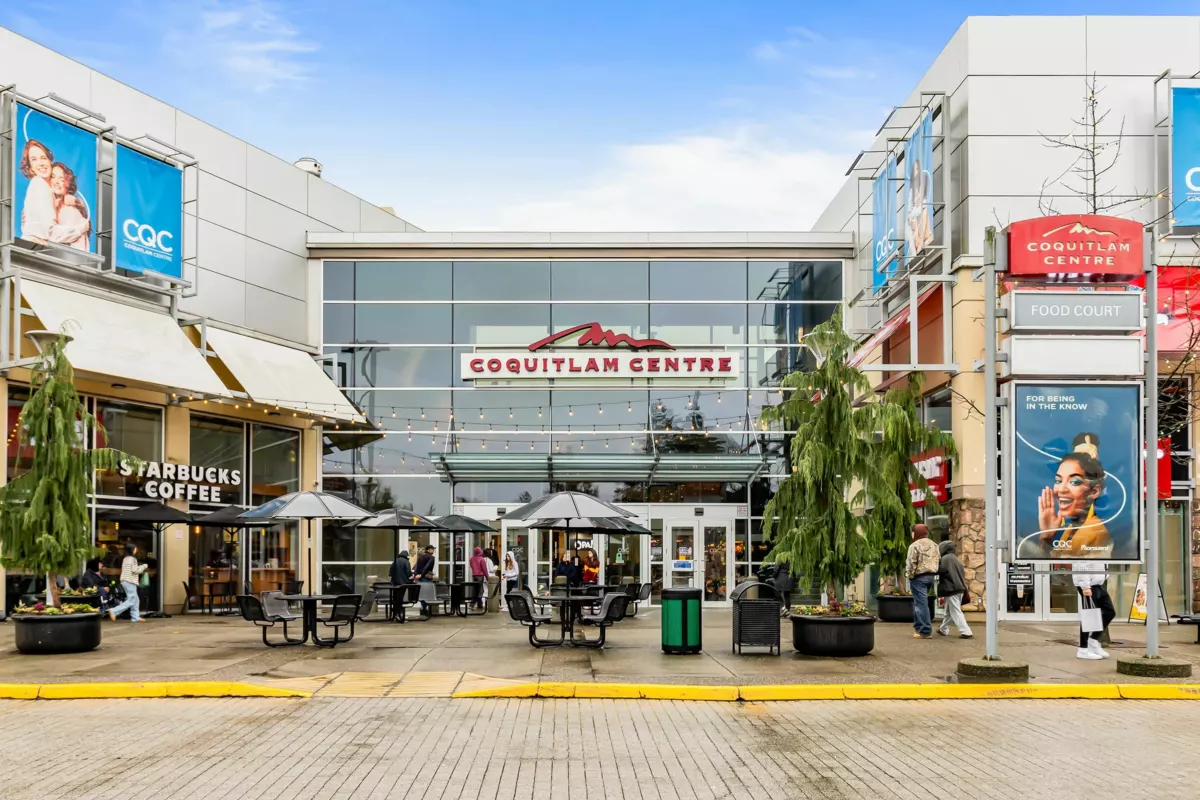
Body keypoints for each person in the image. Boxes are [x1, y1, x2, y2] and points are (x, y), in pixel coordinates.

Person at [1036, 433, 1112, 559]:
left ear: (1094, 491)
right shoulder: (1071, 527)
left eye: (1074, 482)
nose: (1061, 489)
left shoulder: (1095, 533)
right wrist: (1046, 537)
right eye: (1058, 481)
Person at [1073, 561, 1115, 660]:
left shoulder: (1099, 546)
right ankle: (1083, 649)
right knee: (1089, 616)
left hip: (1098, 584)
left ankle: (1093, 641)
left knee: (1109, 612)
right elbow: (1080, 565)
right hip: (1088, 585)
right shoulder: (1086, 547)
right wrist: (1085, 586)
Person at [905, 524, 939, 639]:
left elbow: (911, 562)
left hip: (918, 578)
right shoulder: (934, 545)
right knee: (920, 603)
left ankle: (925, 631)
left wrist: (909, 576)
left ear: (916, 532)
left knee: (920, 604)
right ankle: (918, 628)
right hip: (930, 577)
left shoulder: (914, 545)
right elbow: (938, 560)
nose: (912, 534)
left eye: (913, 531)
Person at [18, 138, 55, 244]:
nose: (41, 163)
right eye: (34, 159)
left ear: (50, 161)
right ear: (30, 168)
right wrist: (79, 228)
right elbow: (48, 229)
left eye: (43, 158)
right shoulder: (38, 183)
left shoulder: (49, 189)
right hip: (36, 248)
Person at [47, 162, 90, 249]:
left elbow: (49, 236)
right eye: (53, 177)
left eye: (62, 179)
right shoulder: (43, 203)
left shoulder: (69, 209)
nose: (56, 182)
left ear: (68, 184)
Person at [936, 540, 973, 639]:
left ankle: (966, 631)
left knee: (955, 611)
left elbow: (941, 570)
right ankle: (943, 629)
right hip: (959, 588)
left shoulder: (945, 558)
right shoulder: (956, 559)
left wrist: (932, 568)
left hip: (951, 589)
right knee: (949, 611)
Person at [107, 543, 148, 623]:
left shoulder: (125, 558)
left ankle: (135, 617)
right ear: (132, 550)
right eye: (135, 548)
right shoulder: (132, 559)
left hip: (126, 580)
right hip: (130, 581)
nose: (136, 550)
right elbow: (136, 570)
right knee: (131, 600)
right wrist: (144, 566)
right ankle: (114, 611)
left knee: (135, 599)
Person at [412, 544, 437, 615]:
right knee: (426, 594)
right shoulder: (431, 558)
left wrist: (416, 574)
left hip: (419, 578)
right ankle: (424, 609)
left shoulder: (421, 557)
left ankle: (422, 608)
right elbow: (427, 567)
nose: (433, 550)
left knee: (422, 593)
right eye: (433, 549)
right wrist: (422, 574)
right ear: (429, 550)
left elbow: (416, 566)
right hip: (425, 577)